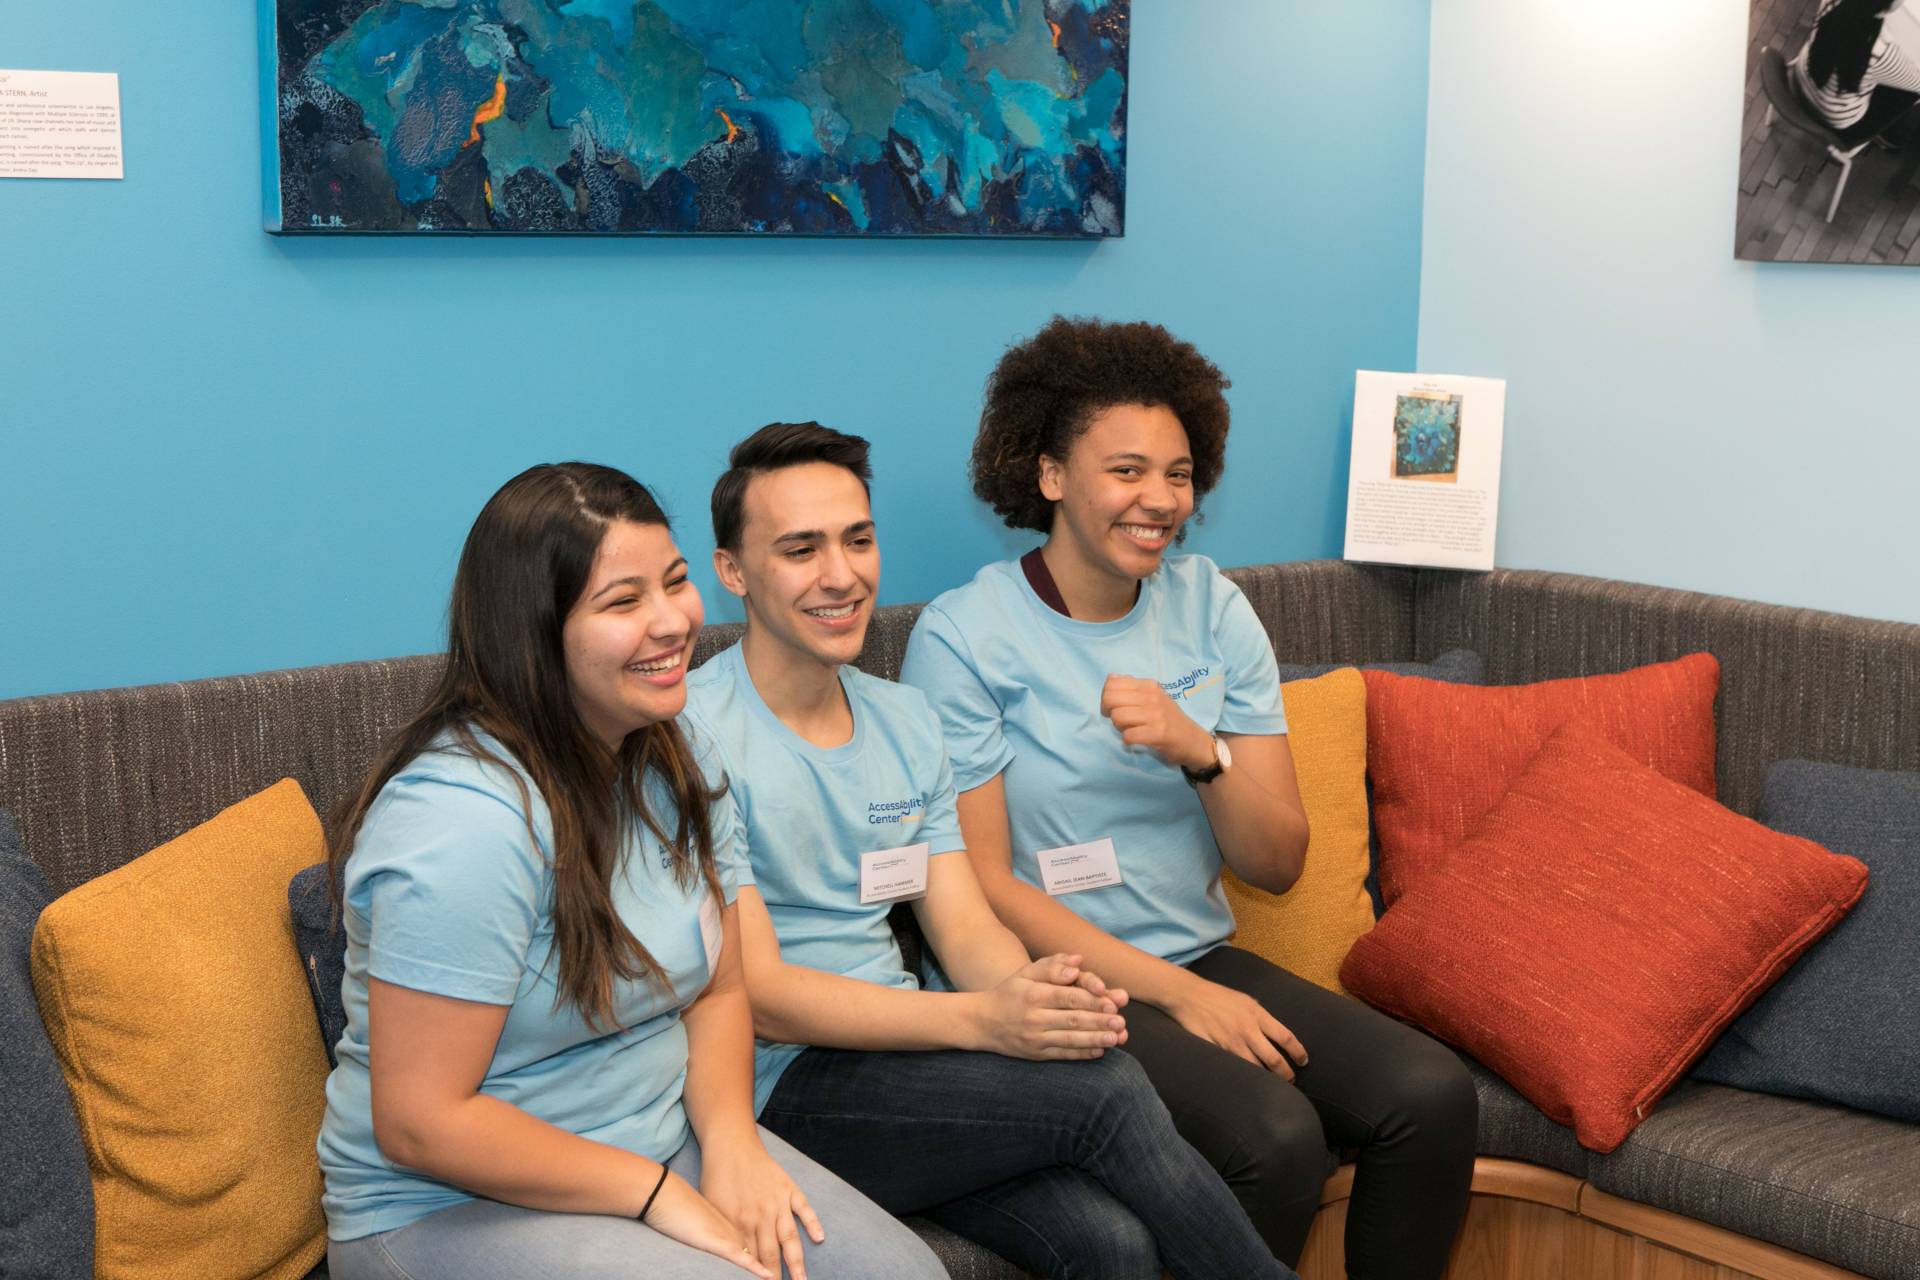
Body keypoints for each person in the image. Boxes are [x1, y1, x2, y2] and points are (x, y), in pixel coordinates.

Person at [899, 318, 1479, 1279]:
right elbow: (986, 887)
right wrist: (1183, 998)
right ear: (1050, 475)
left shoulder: (1212, 606)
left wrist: (1200, 753)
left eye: (1178, 474)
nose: (1160, 499)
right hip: (1063, 985)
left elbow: (1276, 863)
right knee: (1274, 1138)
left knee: (1431, 1095)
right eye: (1126, 471)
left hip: (1199, 955)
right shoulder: (965, 637)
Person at [682, 423, 1299, 1280]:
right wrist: (982, 1022)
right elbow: (766, 996)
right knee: (1108, 1092)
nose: (841, 574)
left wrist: (1031, 1000)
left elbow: (964, 925)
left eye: (857, 540)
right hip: (780, 1084)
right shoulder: (693, 735)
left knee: (1110, 1242)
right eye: (800, 549)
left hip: (905, 1058)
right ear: (732, 571)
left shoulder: (903, 720)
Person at [316, 462, 943, 1280]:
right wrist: (651, 1192)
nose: (674, 621)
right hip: (446, 1205)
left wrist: (733, 1144)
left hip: (658, 1142)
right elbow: (421, 1123)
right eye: (623, 602)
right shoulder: (462, 821)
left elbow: (721, 987)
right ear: (534, 633)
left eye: (675, 583)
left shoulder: (675, 751)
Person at [1791, 0, 1920, 139]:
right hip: (1828, 113)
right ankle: (1884, 138)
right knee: (1909, 94)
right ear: (1884, 10)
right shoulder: (1881, 50)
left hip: (1801, 75)